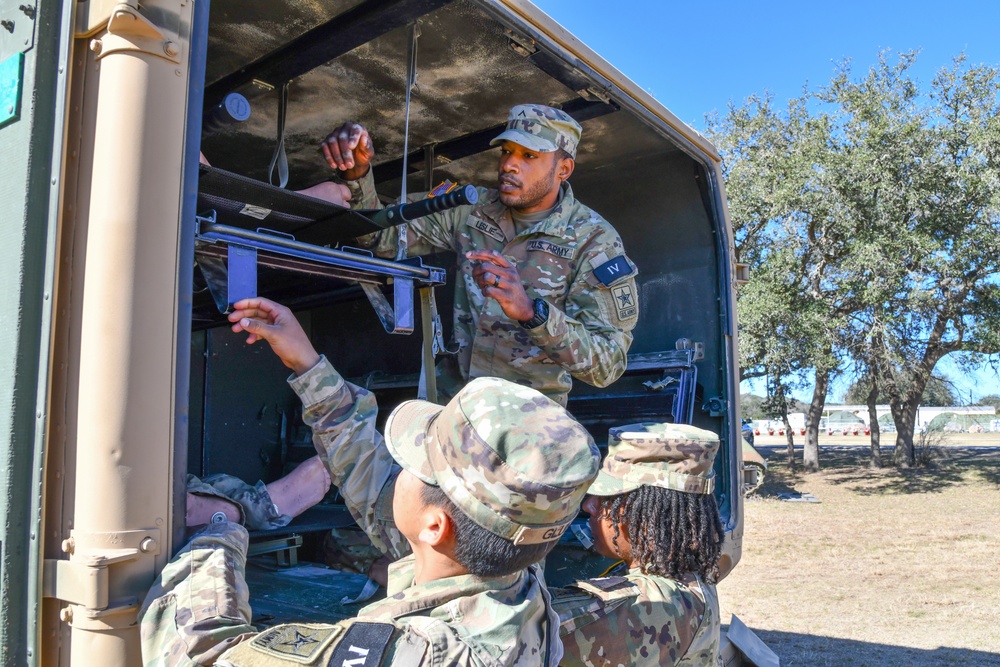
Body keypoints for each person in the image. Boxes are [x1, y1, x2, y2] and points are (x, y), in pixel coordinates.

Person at [139, 296, 600, 666]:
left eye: (413, 463)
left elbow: (200, 655)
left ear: (436, 526)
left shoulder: (414, 653)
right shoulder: (513, 577)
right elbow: (374, 482)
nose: (395, 466)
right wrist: (308, 366)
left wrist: (219, 532)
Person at [320, 104, 640, 406]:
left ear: (564, 169)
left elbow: (607, 366)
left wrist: (533, 313)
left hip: (526, 428)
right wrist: (357, 173)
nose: (509, 165)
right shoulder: (472, 210)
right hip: (455, 408)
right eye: (506, 151)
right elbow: (381, 237)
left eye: (529, 155)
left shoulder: (593, 241)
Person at [550, 422, 725, 667]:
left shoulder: (645, 606)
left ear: (652, 515)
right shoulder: (684, 573)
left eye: (608, 498)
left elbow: (515, 643)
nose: (589, 505)